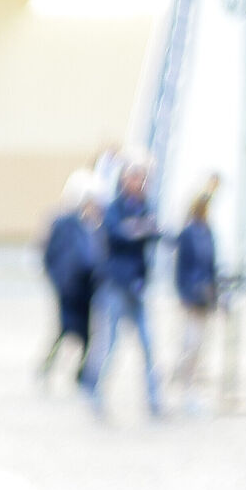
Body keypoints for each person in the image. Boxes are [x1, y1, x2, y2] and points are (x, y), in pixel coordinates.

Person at [83, 159, 161, 416]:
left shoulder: (144, 206)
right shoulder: (115, 208)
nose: (138, 183)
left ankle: (154, 400)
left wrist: (138, 229)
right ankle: (94, 393)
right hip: (116, 286)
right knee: (109, 344)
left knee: (148, 345)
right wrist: (138, 229)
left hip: (136, 285)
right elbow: (117, 234)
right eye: (133, 177)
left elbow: (152, 231)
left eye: (141, 178)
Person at [39, 173, 99, 383]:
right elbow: (51, 254)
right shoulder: (64, 222)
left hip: (85, 287)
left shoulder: (90, 223)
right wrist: (60, 279)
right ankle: (48, 367)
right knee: (65, 330)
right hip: (68, 287)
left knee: (85, 333)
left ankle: (80, 373)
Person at [173, 179, 220, 404]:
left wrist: (214, 292)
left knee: (200, 342)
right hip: (191, 294)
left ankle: (191, 382)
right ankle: (185, 383)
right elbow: (181, 267)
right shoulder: (188, 233)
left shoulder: (207, 232)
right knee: (191, 341)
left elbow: (211, 266)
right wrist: (183, 293)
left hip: (205, 294)